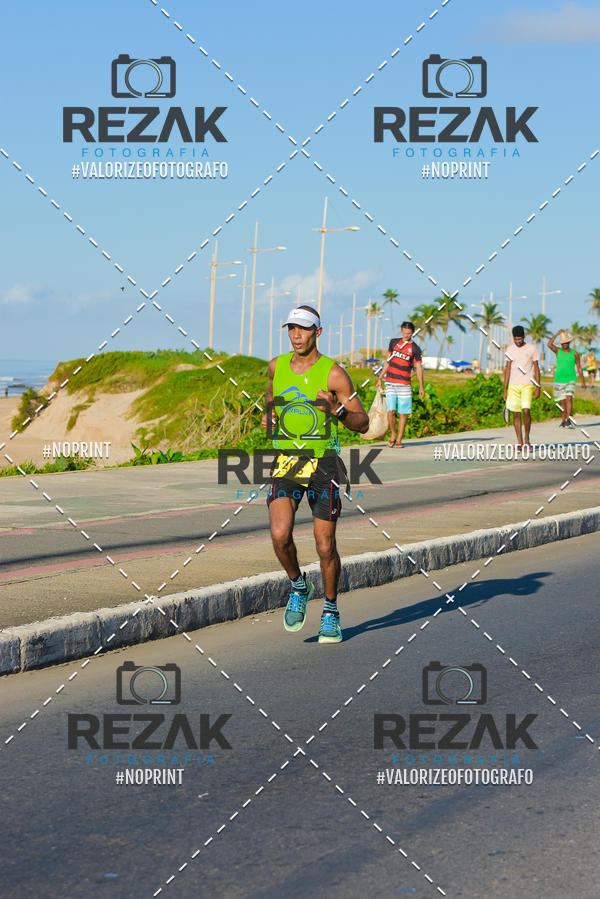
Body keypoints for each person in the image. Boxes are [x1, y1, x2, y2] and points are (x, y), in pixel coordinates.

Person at [264, 305, 369, 644]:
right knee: (280, 534)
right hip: (288, 461)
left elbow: (363, 423)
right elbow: (270, 398)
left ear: (318, 332)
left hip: (324, 464)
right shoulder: (276, 366)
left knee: (325, 546)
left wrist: (336, 409)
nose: (296, 335)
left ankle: (330, 611)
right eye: (292, 328)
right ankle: (298, 584)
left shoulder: (333, 374)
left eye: (304, 329)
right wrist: (270, 418)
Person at [376, 321, 425, 447]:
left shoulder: (415, 349)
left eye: (408, 333)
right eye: (404, 332)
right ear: (401, 331)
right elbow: (387, 361)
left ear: (412, 333)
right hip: (390, 382)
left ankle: (399, 439)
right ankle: (393, 434)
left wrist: (421, 386)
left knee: (403, 412)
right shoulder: (393, 342)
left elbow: (419, 367)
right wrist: (380, 377)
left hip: (404, 385)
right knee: (391, 411)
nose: (406, 335)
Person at [502, 325, 540, 448]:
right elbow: (507, 369)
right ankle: (520, 442)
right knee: (516, 414)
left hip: (527, 385)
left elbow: (537, 368)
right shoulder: (510, 350)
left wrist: (538, 387)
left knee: (526, 411)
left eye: (520, 339)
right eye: (515, 339)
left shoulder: (532, 348)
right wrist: (505, 389)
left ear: (524, 337)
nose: (518, 341)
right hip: (513, 386)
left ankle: (527, 440)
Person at [547, 329, 586, 427]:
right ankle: (563, 419)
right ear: (561, 344)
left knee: (569, 398)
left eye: (566, 342)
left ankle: (568, 419)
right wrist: (557, 333)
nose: (564, 344)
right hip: (559, 379)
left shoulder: (574, 353)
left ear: (569, 342)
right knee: (562, 401)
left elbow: (579, 367)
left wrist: (583, 381)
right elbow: (549, 344)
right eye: (563, 343)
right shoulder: (557, 351)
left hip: (571, 379)